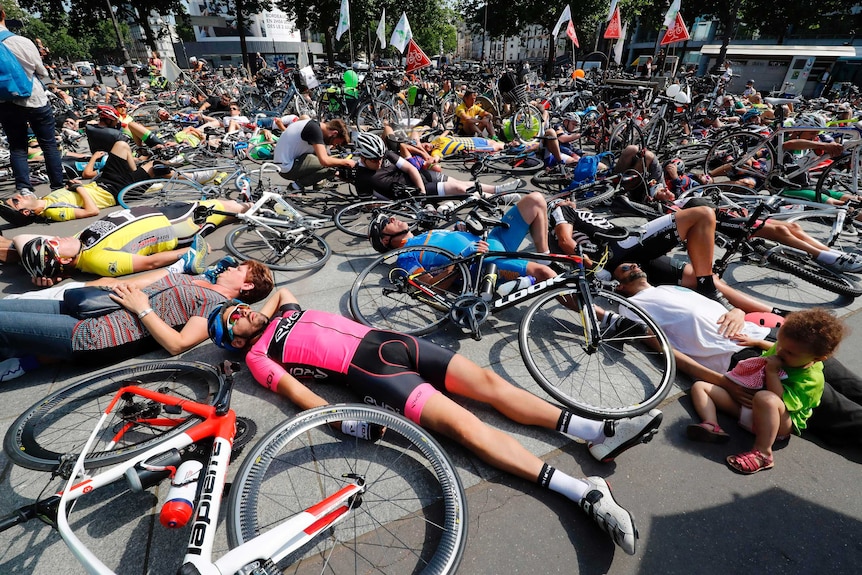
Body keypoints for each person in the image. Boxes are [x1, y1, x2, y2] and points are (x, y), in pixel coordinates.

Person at [207, 286, 667, 555]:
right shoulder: (258, 356)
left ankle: (595, 432)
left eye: (238, 306)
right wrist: (342, 423)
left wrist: (258, 312)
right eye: (234, 319)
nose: (242, 312)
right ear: (232, 340)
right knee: (465, 428)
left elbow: (283, 293)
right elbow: (298, 393)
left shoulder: (281, 312)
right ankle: (583, 491)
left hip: (392, 340)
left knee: (489, 384)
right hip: (373, 374)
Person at [611, 262, 862, 448]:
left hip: (771, 337)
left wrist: (738, 312)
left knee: (851, 383)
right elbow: (668, 352)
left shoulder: (673, 288)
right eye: (624, 267)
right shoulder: (632, 307)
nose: (633, 265)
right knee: (843, 414)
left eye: (634, 263)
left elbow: (723, 305)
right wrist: (722, 381)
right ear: (619, 285)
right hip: (745, 361)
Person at [0, 258, 273, 382]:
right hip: (90, 306)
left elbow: (178, 344)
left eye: (239, 269)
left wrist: (142, 308)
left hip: (98, 333)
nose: (230, 267)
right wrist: (109, 285)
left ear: (246, 287)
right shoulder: (198, 281)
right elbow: (143, 283)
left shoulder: (216, 307)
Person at [687, 308, 846, 474]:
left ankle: (763, 453)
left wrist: (771, 372)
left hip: (779, 425)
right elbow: (779, 346)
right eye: (780, 345)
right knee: (701, 386)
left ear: (818, 358)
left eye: (789, 352)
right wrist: (757, 342)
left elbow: (779, 400)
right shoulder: (784, 350)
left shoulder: (812, 379)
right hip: (748, 409)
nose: (780, 352)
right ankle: (711, 425)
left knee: (766, 398)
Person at [0, 199, 250, 285]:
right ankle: (265, 212)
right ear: (64, 259)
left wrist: (41, 269)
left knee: (220, 203)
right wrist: (190, 250)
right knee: (227, 209)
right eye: (54, 244)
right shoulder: (97, 260)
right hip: (174, 227)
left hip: (157, 211)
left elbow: (22, 237)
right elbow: (149, 263)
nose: (55, 238)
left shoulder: (76, 243)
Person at [369, 191, 556, 286]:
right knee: (544, 275)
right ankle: (585, 315)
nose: (393, 217)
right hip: (482, 263)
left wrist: (462, 231)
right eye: (387, 222)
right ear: (385, 240)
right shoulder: (405, 257)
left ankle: (544, 257)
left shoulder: (424, 234)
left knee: (536, 200)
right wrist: (460, 260)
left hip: (492, 241)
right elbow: (429, 285)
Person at [2, 140, 171, 224]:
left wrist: (75, 186)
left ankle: (138, 177)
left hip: (104, 182)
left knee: (121, 145)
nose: (18, 196)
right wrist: (78, 188)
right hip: (115, 190)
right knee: (155, 166)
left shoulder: (45, 200)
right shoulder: (52, 212)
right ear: (25, 212)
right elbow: (92, 211)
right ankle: (192, 177)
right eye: (16, 201)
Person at [0, 5, 65, 192]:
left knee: (18, 147)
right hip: (33, 98)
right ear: (3, 14)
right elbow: (42, 72)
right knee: (49, 145)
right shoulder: (21, 41)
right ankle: (58, 187)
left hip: (5, 102)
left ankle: (24, 189)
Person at [352, 133, 521, 200]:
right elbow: (370, 203)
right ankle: (500, 197)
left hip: (421, 182)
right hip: (409, 192)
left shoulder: (387, 154)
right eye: (375, 160)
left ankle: (499, 190)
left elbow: (410, 168)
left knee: (462, 185)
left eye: (381, 158)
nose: (379, 162)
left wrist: (422, 192)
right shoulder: (362, 178)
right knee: (458, 189)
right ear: (363, 157)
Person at [272, 118, 355, 188]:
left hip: (283, 163)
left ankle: (318, 183)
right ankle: (295, 187)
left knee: (329, 160)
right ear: (334, 133)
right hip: (286, 167)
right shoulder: (314, 130)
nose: (333, 145)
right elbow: (325, 161)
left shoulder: (314, 124)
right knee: (331, 166)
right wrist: (345, 162)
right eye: (336, 143)